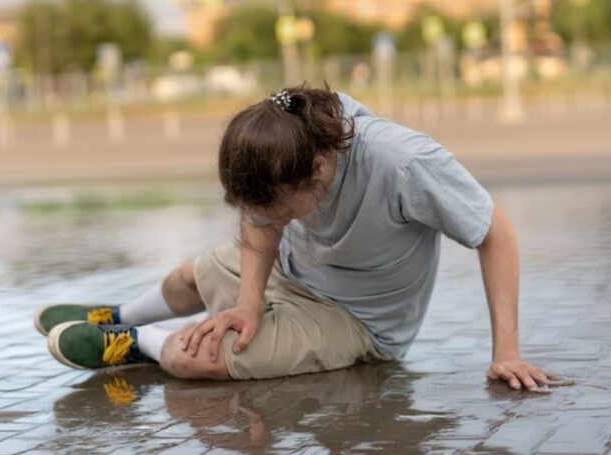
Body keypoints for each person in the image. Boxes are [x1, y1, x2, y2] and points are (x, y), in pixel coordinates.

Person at [37, 84, 551, 390]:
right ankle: (118, 315)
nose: (260, 218)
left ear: (320, 171)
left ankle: (134, 342)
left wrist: (506, 350)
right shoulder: (285, 130)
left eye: (275, 206)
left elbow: (495, 232)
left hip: (357, 321)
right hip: (292, 271)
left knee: (199, 359)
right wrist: (249, 302)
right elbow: (262, 226)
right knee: (187, 276)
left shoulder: (404, 162)